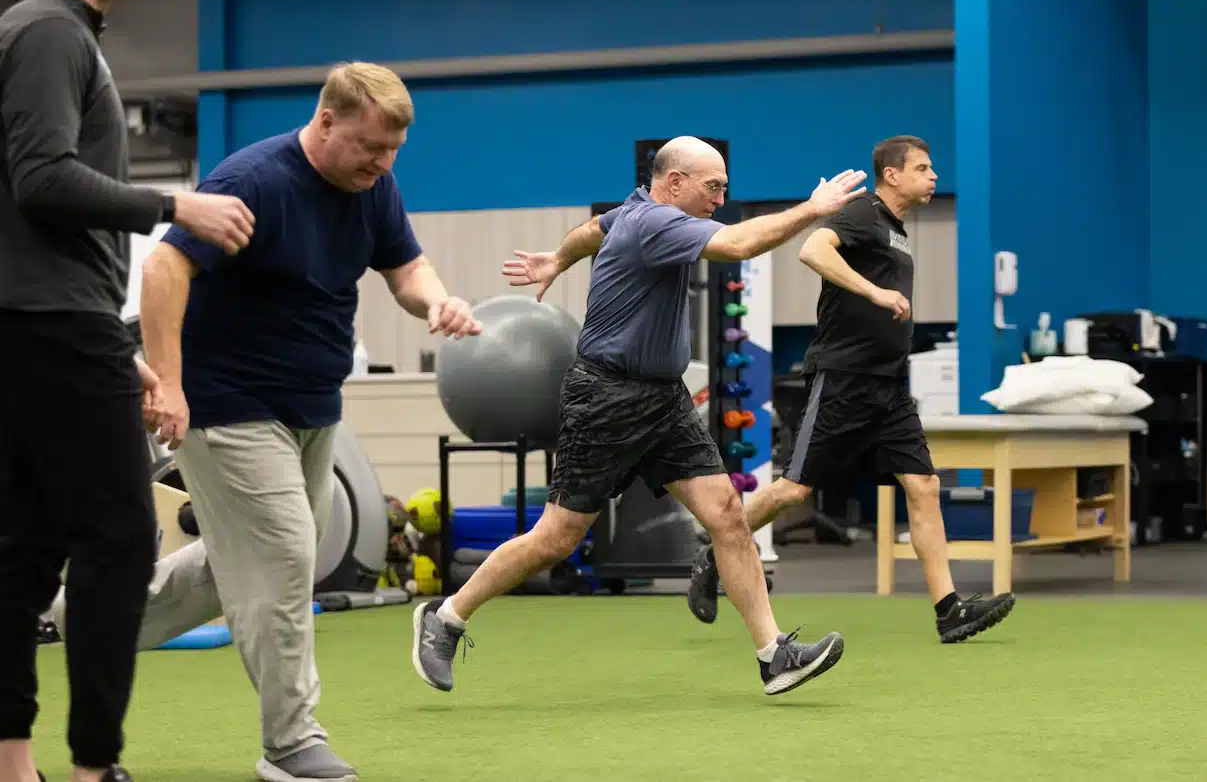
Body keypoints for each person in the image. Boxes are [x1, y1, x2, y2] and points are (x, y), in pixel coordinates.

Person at [42, 61, 480, 782]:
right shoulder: (255, 182)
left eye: (393, 151)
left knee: (233, 567)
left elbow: (406, 269)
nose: (383, 163)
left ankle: (67, 614)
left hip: (312, 408)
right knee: (280, 560)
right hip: (228, 406)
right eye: (371, 147)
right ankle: (291, 744)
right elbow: (164, 271)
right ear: (327, 120)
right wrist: (172, 387)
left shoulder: (373, 188)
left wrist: (435, 302)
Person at [411, 136, 864, 697]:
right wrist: (812, 211)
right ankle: (445, 618)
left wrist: (558, 257)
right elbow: (742, 244)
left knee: (726, 513)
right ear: (674, 183)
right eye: (713, 187)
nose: (720, 199)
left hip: (662, 398)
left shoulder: (629, 213)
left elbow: (591, 231)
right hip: (604, 398)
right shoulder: (655, 224)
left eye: (725, 188)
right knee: (557, 538)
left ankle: (775, 657)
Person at [0, 0, 257, 780]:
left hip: (46, 326)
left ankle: (14, 766)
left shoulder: (52, 34)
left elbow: (27, 224)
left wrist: (116, 344)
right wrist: (177, 204)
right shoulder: (49, 33)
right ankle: (92, 769)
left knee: (28, 550)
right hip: (48, 328)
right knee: (118, 541)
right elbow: (42, 181)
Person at [684, 135, 1017, 643]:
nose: (933, 177)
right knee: (794, 490)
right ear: (892, 174)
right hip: (844, 378)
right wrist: (875, 291)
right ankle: (716, 550)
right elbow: (813, 250)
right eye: (923, 169)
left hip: (889, 385)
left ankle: (949, 611)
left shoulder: (898, 231)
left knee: (924, 486)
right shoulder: (864, 212)